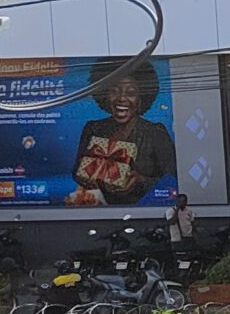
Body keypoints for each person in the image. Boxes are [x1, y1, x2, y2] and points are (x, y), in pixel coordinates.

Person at [69, 58, 174, 207]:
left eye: (130, 92)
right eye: (114, 91)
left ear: (141, 99)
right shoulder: (93, 128)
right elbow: (76, 171)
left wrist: (140, 180)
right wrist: (86, 177)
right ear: (105, 94)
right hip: (98, 210)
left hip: (146, 209)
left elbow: (173, 179)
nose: (121, 98)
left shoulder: (155, 133)